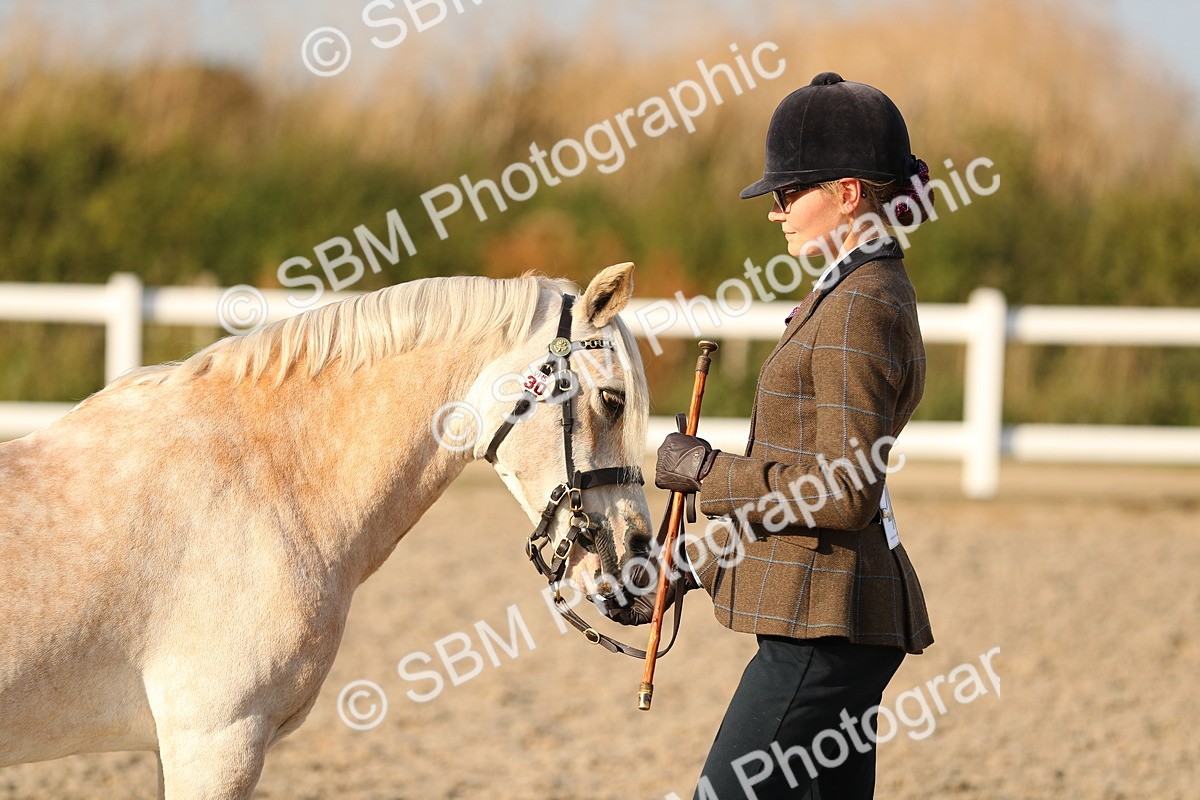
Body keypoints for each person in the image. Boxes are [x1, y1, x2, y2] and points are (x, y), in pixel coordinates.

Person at [611, 72, 935, 799]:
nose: (777, 212)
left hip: (823, 633)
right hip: (826, 618)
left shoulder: (860, 306)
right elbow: (802, 484)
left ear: (848, 193)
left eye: (791, 194)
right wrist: (690, 566)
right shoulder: (851, 291)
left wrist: (706, 471)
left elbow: (844, 490)